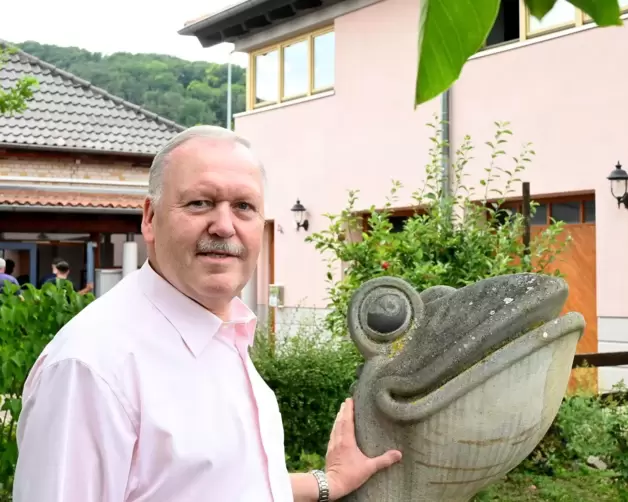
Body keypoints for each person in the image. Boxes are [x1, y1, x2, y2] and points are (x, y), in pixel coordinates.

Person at [13, 126, 402, 501]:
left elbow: (213, 483)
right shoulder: (92, 367)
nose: (223, 226)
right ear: (149, 218)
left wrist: (326, 482)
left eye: (243, 207)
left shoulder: (226, 334)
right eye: (200, 203)